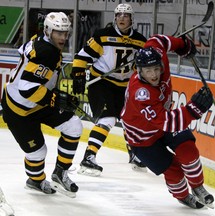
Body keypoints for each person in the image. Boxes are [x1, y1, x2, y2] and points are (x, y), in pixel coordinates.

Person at [120, 34, 215, 209]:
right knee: (173, 170)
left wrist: (182, 45)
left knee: (187, 148)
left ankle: (197, 186)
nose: (154, 75)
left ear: (161, 63)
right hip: (142, 138)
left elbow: (158, 40)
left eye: (156, 69)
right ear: (140, 71)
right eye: (148, 71)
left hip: (162, 125)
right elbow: (166, 122)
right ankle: (183, 195)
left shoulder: (158, 54)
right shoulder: (141, 93)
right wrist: (193, 110)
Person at [1, 12, 82, 198]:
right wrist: (55, 99)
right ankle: (35, 181)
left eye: (65, 33)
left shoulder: (40, 41)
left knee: (74, 126)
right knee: (38, 152)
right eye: (58, 33)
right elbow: (27, 88)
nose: (63, 37)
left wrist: (54, 91)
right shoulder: (47, 52)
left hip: (38, 102)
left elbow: (30, 64)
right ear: (48, 30)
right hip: (19, 110)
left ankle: (60, 172)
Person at [71, 3, 147, 177]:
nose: (122, 18)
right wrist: (78, 74)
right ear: (115, 17)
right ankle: (89, 156)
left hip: (124, 86)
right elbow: (82, 56)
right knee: (109, 118)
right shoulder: (102, 36)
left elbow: (143, 64)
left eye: (126, 15)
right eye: (119, 15)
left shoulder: (140, 41)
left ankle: (134, 153)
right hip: (102, 83)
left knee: (131, 120)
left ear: (131, 19)